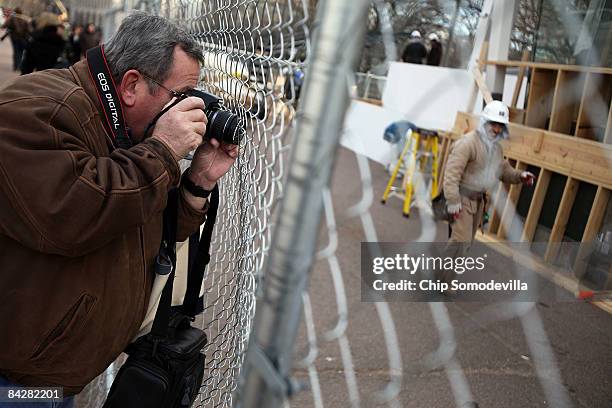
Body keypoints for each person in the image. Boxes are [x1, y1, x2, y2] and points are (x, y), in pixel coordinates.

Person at [0, 11, 238, 406]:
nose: (190, 109)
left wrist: (198, 183)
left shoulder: (122, 131)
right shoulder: (36, 110)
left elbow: (138, 221)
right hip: (15, 384)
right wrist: (162, 150)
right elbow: (75, 217)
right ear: (130, 86)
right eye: (180, 96)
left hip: (53, 376)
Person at [439, 101, 535, 288]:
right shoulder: (468, 143)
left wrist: (520, 176)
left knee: (467, 243)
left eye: (500, 125)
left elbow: (503, 171)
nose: (497, 129)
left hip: (478, 201)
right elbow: (451, 173)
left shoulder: (496, 150)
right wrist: (452, 200)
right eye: (493, 123)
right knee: (460, 239)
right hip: (461, 198)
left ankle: (446, 277)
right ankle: (443, 279)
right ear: (484, 122)